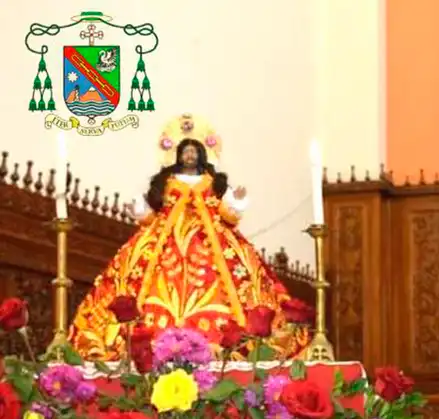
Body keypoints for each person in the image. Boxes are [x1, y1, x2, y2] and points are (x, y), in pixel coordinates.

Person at [69, 114, 310, 361]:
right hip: (164, 242)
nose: (190, 155)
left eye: (195, 151)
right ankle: (143, 345)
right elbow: (151, 214)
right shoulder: (167, 182)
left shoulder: (212, 182)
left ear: (202, 154)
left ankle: (228, 346)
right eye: (186, 151)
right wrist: (139, 208)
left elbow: (227, 213)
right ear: (177, 154)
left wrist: (235, 199)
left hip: (212, 242)